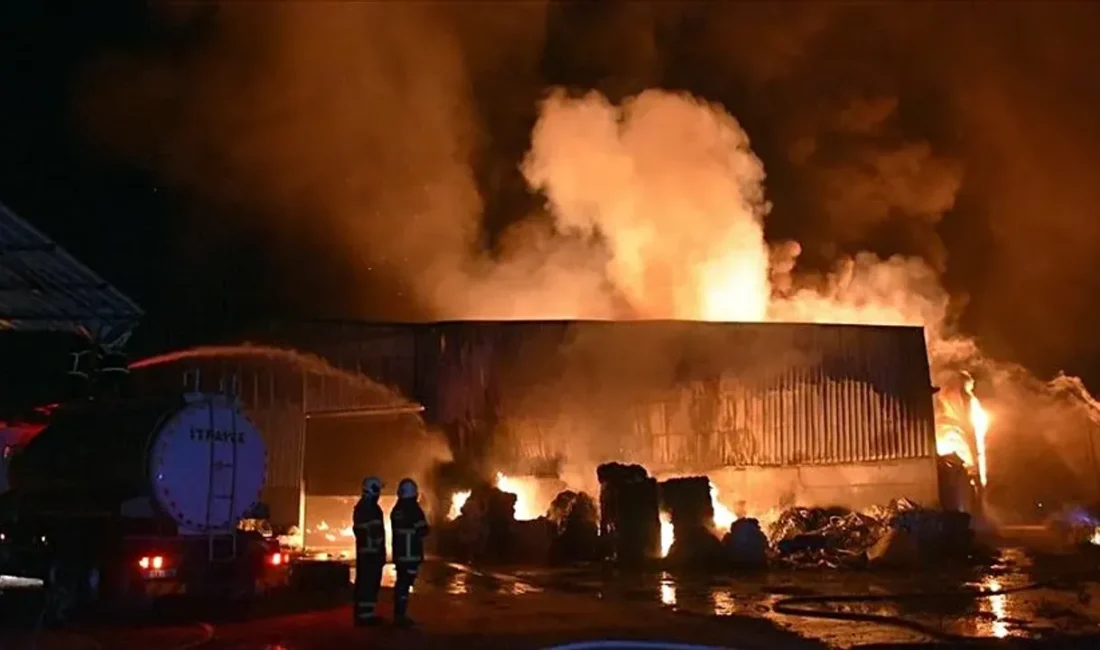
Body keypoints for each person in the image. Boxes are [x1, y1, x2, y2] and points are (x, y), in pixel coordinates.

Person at [390, 477, 430, 626]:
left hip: (399, 554)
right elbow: (423, 530)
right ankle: (400, 617)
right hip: (411, 554)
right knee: (405, 585)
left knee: (401, 583)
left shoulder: (396, 509)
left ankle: (398, 614)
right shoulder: (414, 510)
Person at [352, 476, 386, 626]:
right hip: (371, 554)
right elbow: (375, 533)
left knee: (366, 583)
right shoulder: (370, 508)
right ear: (374, 489)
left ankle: (364, 614)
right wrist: (379, 552)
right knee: (369, 584)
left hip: (366, 553)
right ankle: (365, 617)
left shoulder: (362, 507)